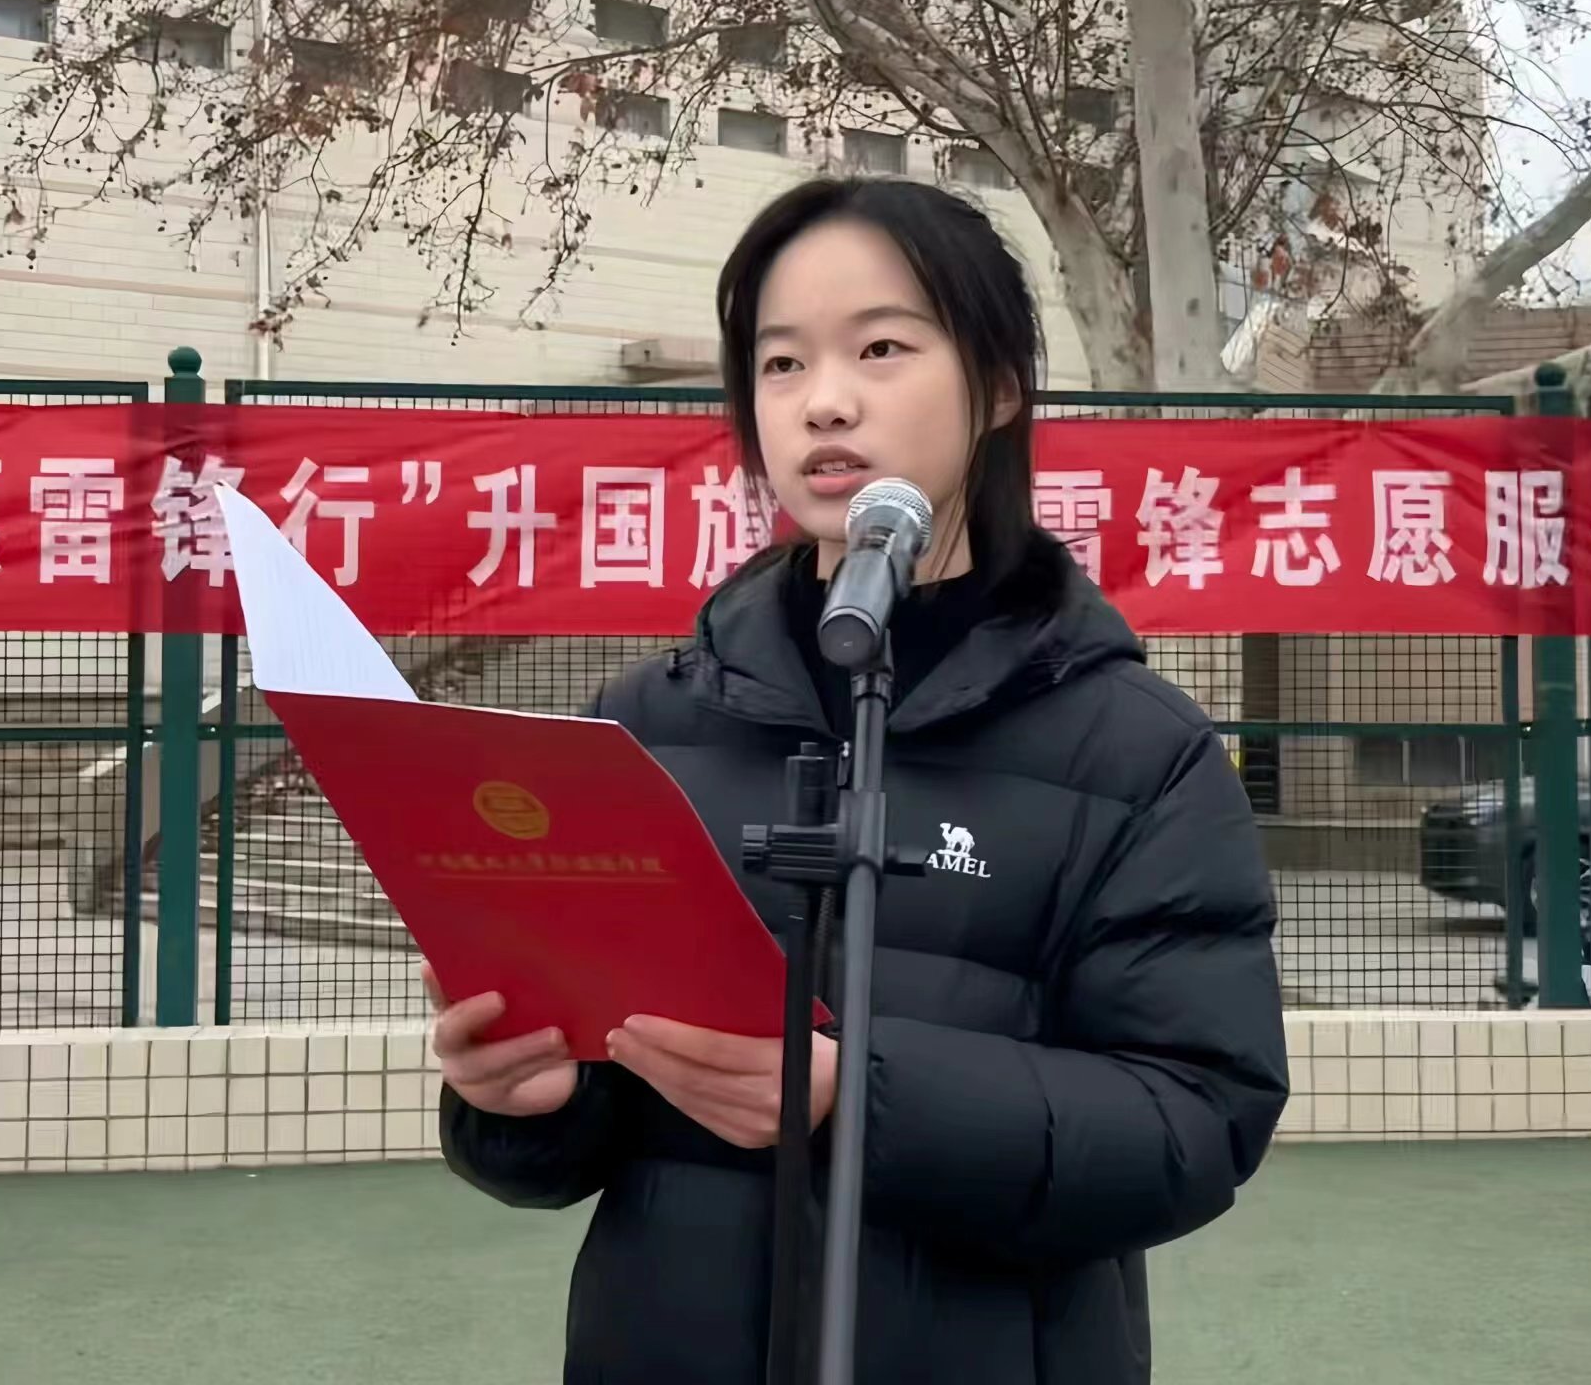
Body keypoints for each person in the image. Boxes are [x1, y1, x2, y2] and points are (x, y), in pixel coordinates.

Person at [427, 176, 1288, 1384]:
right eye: (781, 363)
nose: (824, 400)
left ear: (1000, 385)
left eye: (881, 348)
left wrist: (858, 1098)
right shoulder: (642, 727)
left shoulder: (1138, 751)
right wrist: (521, 1097)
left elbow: (1193, 1121)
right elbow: (581, 1138)